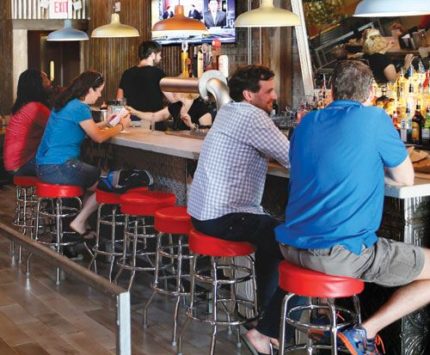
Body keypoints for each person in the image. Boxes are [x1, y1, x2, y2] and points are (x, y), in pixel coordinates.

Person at [273, 60, 428, 355]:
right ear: (371, 92)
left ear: (331, 90)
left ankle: (323, 321)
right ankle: (363, 332)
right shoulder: (374, 119)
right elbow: (405, 177)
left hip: (291, 248)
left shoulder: (307, 122)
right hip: (337, 255)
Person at [187, 65, 290, 354]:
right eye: (268, 91)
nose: (274, 96)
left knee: (272, 234)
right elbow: (294, 158)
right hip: (223, 216)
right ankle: (265, 329)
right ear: (249, 94)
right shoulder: (253, 117)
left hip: (203, 214)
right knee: (283, 237)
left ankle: (262, 320)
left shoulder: (230, 111)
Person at [36, 70, 131, 237]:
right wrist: (121, 126)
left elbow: (88, 129)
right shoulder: (80, 107)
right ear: (89, 89)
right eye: (99, 90)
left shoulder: (67, 103)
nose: (100, 95)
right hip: (60, 166)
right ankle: (80, 221)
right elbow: (98, 137)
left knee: (93, 179)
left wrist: (107, 122)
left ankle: (82, 222)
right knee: (106, 182)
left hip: (45, 166)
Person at [117, 41, 176, 131]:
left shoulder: (127, 73)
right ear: (152, 55)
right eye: (159, 54)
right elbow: (173, 99)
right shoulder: (158, 74)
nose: (160, 58)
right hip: (153, 124)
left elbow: (119, 100)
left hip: (131, 124)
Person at [4, 69, 52, 176]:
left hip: (12, 163)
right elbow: (58, 128)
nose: (50, 82)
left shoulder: (22, 106)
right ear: (37, 84)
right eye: (45, 78)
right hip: (22, 164)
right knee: (64, 165)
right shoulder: (36, 108)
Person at [126, 95, 213, 130]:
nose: (171, 92)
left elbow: (207, 135)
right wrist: (135, 112)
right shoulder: (176, 106)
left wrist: (191, 125)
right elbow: (154, 116)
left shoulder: (202, 108)